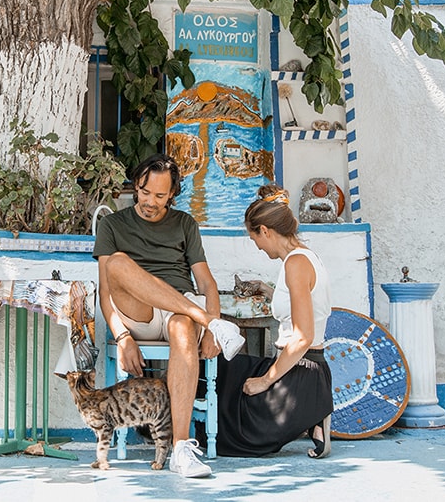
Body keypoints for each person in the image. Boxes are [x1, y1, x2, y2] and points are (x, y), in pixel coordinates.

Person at [93, 153, 234, 478]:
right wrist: (122, 336)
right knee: (116, 264)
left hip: (178, 311)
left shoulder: (185, 224)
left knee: (184, 326)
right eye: (144, 192)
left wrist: (209, 329)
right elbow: (105, 292)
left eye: (159, 195)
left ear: (172, 194)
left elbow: (207, 283)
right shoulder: (112, 225)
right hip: (136, 312)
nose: (150, 202)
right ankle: (205, 319)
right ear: (136, 186)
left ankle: (181, 449)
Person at [216, 184, 333, 458]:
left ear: (265, 231)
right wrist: (268, 291)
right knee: (224, 369)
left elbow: (303, 336)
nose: (256, 245)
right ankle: (314, 416)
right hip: (302, 369)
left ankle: (311, 413)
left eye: (254, 237)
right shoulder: (304, 258)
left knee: (229, 434)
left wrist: (265, 381)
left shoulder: (296, 264)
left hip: (299, 374)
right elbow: (300, 305)